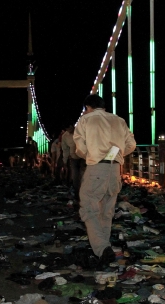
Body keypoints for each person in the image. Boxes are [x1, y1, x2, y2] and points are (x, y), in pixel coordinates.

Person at [74, 94, 136, 266]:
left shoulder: (86, 120)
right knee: (107, 211)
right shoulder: (119, 120)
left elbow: (79, 149)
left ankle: (102, 249)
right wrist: (116, 154)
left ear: (88, 107)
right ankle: (105, 248)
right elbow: (131, 145)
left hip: (97, 168)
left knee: (89, 209)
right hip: (115, 168)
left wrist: (92, 155)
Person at [62, 125, 84, 201]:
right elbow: (65, 149)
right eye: (67, 128)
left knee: (83, 177)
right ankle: (77, 195)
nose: (69, 130)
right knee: (75, 177)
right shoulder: (65, 136)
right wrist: (65, 162)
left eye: (70, 128)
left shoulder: (81, 131)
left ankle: (84, 195)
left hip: (83, 158)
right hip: (73, 158)